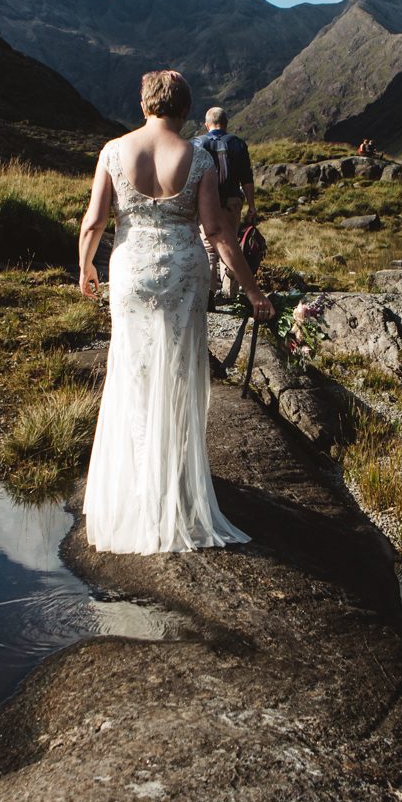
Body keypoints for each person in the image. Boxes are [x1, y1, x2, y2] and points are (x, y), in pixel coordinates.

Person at [77, 70, 273, 554]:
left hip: (131, 273)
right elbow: (219, 233)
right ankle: (177, 489)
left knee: (134, 370)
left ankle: (138, 486)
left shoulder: (112, 151)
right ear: (185, 109)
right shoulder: (198, 156)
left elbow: (95, 221)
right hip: (184, 275)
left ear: (145, 103)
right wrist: (252, 291)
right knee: (181, 374)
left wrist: (85, 268)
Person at [193, 106, 256, 300]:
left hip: (207, 203)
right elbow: (246, 178)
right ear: (226, 123)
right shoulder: (238, 144)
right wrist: (252, 206)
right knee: (230, 243)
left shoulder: (197, 144)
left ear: (206, 124)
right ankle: (231, 293)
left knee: (209, 246)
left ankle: (209, 294)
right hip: (232, 202)